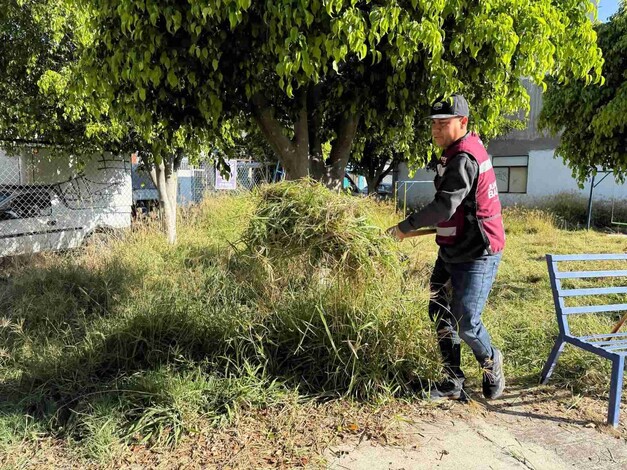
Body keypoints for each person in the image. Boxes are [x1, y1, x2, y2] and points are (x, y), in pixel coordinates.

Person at [387, 94, 506, 400]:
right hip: (453, 247)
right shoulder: (455, 152)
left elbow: (443, 207)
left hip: (478, 251)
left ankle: (491, 360)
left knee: (466, 321)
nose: (436, 130)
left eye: (444, 123)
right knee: (439, 310)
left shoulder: (464, 158)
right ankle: (453, 381)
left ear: (462, 122)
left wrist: (404, 227)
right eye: (434, 124)